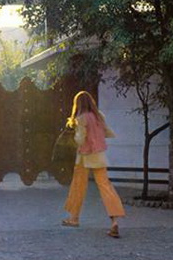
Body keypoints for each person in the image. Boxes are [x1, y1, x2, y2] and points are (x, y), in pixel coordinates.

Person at [62, 91, 125, 238]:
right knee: (105, 187)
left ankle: (73, 218)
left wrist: (73, 133)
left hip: (84, 157)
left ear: (77, 104)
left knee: (78, 186)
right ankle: (114, 221)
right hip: (99, 156)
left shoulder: (81, 118)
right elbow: (107, 132)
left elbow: (80, 140)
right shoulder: (99, 116)